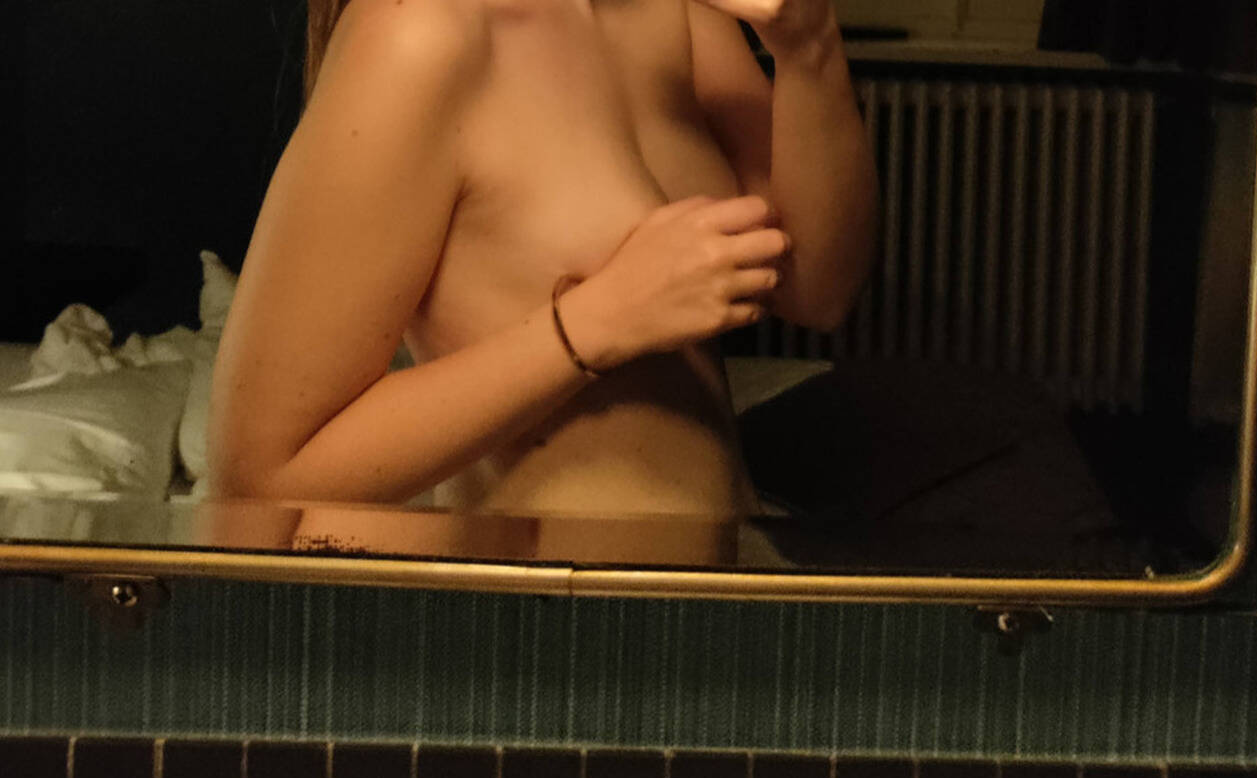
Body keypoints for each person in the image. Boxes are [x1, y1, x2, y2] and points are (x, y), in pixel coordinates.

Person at [206, 0, 877, 559]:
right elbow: (259, 480)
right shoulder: (419, 31)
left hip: (716, 606)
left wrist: (809, 49)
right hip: (546, 635)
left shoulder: (676, 14)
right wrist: (597, 323)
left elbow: (818, 290)